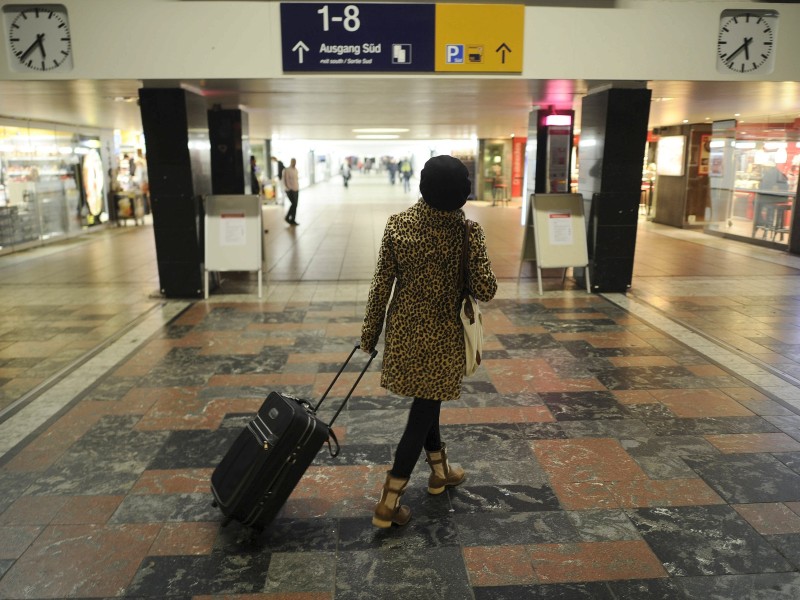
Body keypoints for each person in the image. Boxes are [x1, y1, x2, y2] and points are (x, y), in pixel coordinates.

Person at [360, 155, 498, 529]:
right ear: (462, 194)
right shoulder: (468, 232)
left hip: (404, 335)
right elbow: (486, 289)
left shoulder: (397, 225)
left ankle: (441, 472)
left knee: (427, 400)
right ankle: (389, 501)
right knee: (422, 411)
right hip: (443, 340)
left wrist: (370, 335)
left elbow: (380, 286)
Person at [282, 157, 300, 225]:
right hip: (290, 190)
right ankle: (287, 217)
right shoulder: (287, 170)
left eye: (295, 162)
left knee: (295, 205)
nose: (294, 163)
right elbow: (285, 180)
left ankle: (292, 219)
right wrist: (288, 188)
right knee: (293, 204)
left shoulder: (296, 170)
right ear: (291, 162)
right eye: (293, 161)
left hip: (296, 189)